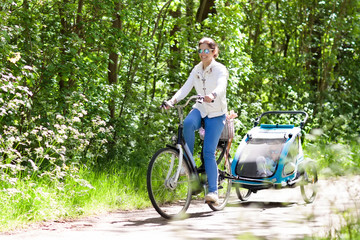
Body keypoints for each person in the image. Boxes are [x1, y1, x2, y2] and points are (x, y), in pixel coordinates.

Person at [165, 37, 228, 204]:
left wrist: (212, 95)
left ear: (214, 52)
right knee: (187, 123)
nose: (202, 54)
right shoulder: (197, 70)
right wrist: (172, 101)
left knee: (208, 152)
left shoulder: (220, 69)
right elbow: (186, 87)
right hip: (201, 107)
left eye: (206, 50)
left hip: (216, 112)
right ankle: (188, 163)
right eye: (200, 50)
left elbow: (221, 87)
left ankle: (213, 192)